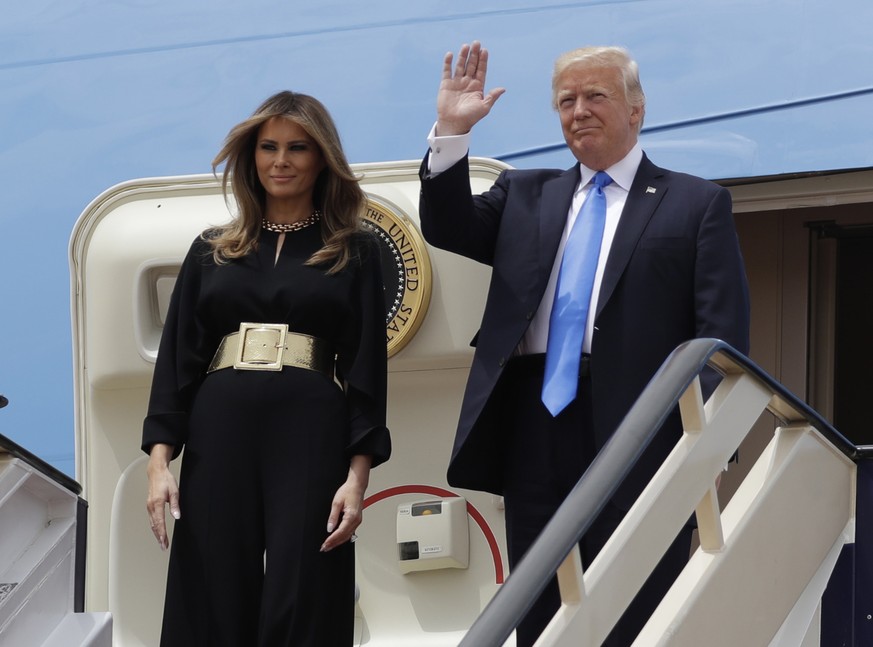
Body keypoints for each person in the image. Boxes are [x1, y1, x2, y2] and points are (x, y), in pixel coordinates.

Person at [419, 42, 750, 645]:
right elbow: (447, 227)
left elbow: (720, 340)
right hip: (532, 421)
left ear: (636, 109)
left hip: (640, 426)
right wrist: (451, 132)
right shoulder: (525, 194)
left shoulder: (696, 204)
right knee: (540, 602)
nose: (579, 111)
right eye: (566, 101)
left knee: (642, 595)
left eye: (596, 96)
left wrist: (701, 446)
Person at [142, 90, 391, 646]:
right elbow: (176, 365)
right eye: (268, 147)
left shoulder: (354, 250)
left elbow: (367, 375)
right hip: (219, 424)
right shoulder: (212, 250)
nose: (281, 160)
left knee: (304, 582)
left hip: (309, 426)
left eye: (298, 147)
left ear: (322, 157)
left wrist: (357, 478)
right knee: (210, 579)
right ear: (250, 157)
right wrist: (159, 466)